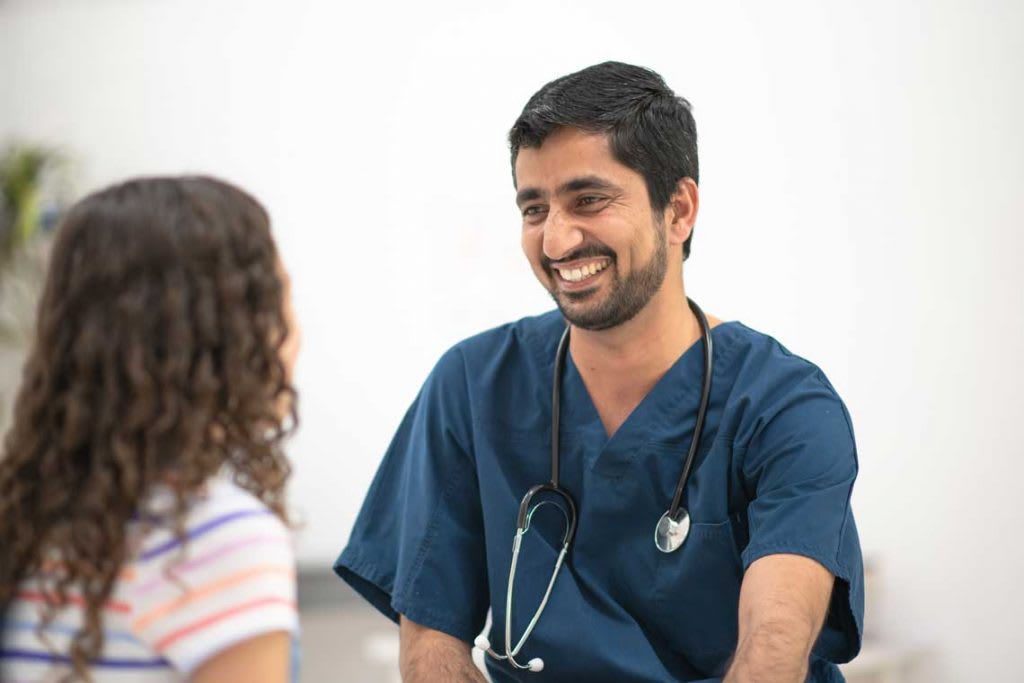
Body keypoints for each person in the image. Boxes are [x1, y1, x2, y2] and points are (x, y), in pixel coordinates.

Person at [335, 62, 863, 682]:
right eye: (534, 209)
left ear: (679, 210)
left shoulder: (784, 408)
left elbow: (774, 651)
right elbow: (430, 642)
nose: (556, 241)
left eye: (589, 200)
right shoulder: (473, 385)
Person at [0, 176, 302, 682]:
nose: (294, 332)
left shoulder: (24, 517)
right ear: (229, 337)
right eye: (278, 300)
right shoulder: (218, 541)